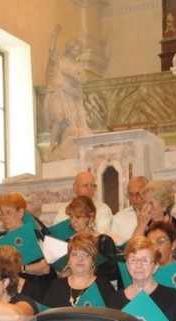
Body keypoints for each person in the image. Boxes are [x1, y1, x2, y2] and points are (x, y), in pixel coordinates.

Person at [44, 25, 92, 156]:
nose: (75, 52)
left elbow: (83, 80)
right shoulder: (59, 60)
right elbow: (51, 50)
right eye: (74, 49)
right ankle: (51, 147)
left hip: (70, 96)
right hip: (58, 92)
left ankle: (60, 145)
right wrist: (54, 35)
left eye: (78, 50)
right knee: (58, 117)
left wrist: (71, 74)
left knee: (70, 126)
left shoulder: (78, 66)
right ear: (69, 49)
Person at [0, 193, 53, 301]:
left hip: (34, 287)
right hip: (10, 288)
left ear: (21, 213)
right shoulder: (1, 239)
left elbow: (45, 268)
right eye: (2, 213)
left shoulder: (33, 234)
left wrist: (21, 268)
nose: (5, 217)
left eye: (8, 212)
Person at [43, 232, 118, 309]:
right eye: (75, 254)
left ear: (93, 261)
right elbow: (45, 317)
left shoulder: (104, 287)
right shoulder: (56, 286)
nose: (80, 259)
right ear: (68, 260)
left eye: (86, 255)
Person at [62, 196, 122, 287]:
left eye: (78, 217)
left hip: (99, 288)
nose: (73, 221)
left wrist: (89, 270)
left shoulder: (104, 241)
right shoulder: (68, 242)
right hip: (74, 286)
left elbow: (113, 274)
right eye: (71, 216)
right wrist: (64, 274)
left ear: (90, 217)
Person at [53, 170, 113, 235]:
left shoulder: (103, 209)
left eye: (92, 186)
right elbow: (56, 236)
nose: (89, 189)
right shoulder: (63, 211)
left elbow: (103, 237)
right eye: (85, 185)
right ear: (75, 188)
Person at [108, 176, 150, 248]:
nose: (134, 199)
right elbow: (115, 247)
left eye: (137, 194)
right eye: (131, 195)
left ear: (148, 193)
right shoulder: (119, 218)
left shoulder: (156, 213)